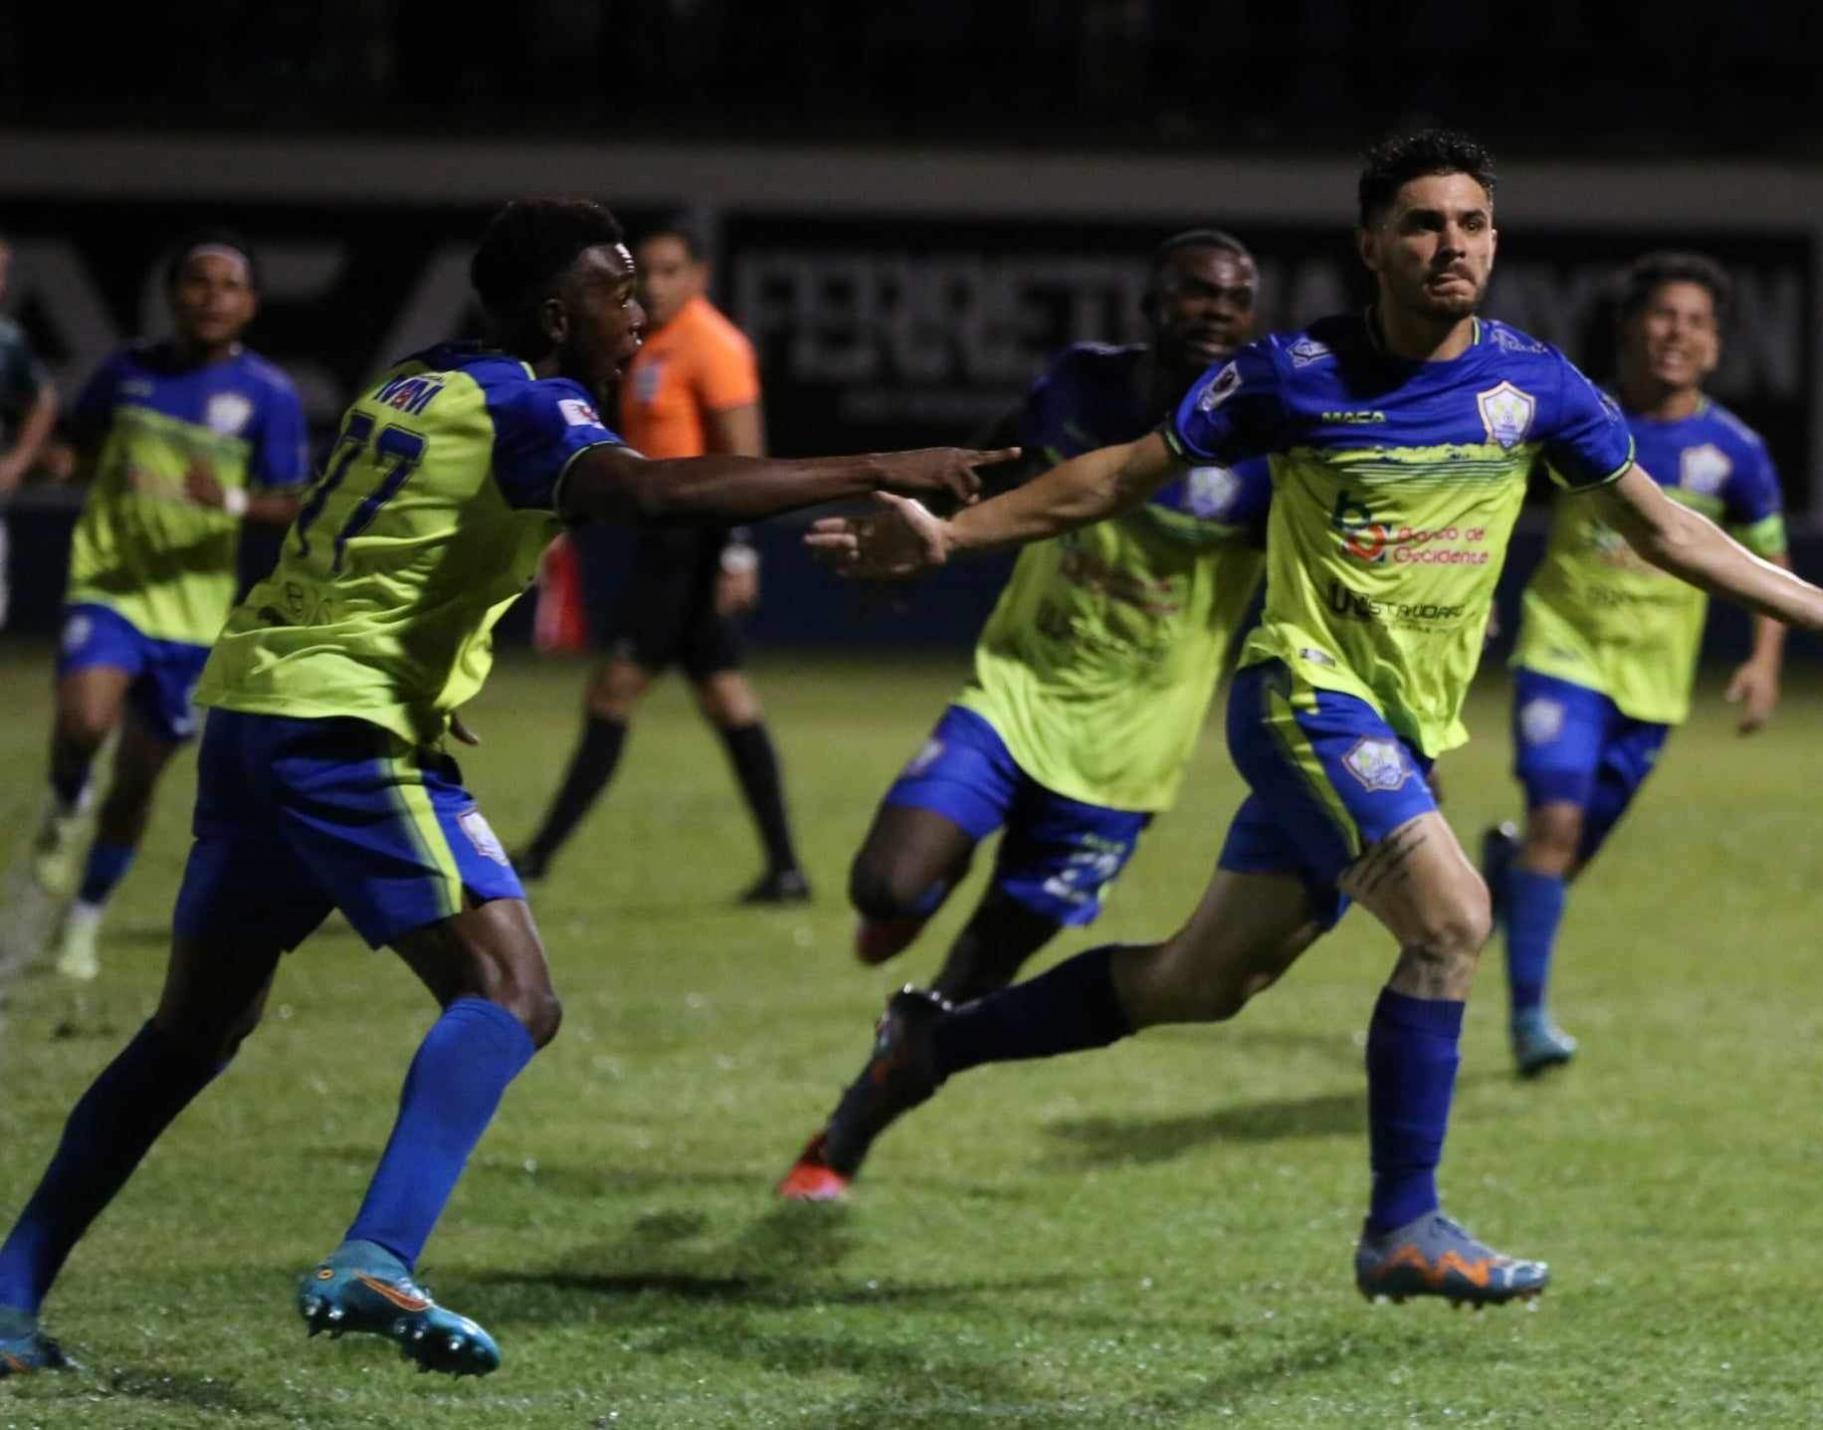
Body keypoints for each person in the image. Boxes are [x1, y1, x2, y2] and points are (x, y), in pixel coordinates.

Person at [798, 130, 1823, 1308]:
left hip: (1400, 730)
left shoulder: (1533, 384)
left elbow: (1665, 526)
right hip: (1301, 695)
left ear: (1492, 241)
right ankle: (1404, 1222)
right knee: (1451, 919)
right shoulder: (1291, 375)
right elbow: (1110, 475)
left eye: (1470, 224)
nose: (1449, 244)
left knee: (1194, 982)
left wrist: (1816, 609)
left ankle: (933, 1041)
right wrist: (950, 533)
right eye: (1421, 223)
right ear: (1370, 245)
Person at [0, 198, 1007, 1379]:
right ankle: (373, 1252)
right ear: (552, 311)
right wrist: (881, 463)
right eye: (617, 291)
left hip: (259, 710)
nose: (637, 312)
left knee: (193, 1029)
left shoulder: (416, 380)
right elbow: (648, 495)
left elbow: (369, 539)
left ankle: (11, 1291)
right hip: (343, 728)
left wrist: (429, 664)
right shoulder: (532, 399)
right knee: (512, 990)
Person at [779, 229, 1272, 1201]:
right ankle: (907, 901)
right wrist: (907, 541)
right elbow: (992, 463)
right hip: (1015, 691)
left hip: (1126, 759)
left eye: (1234, 296)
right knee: (883, 883)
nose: (1214, 308)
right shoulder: (1082, 387)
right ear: (1150, 302)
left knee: (966, 987)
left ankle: (834, 1144)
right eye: (1194, 291)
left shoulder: (1266, 443)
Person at [1485, 252, 1790, 1076]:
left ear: (1716, 345)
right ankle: (1529, 1025)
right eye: (1663, 316)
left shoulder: (1735, 454)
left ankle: (1499, 874)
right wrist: (1473, 589)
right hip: (1563, 652)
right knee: (1555, 824)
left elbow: (1769, 561)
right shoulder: (1581, 417)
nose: (1676, 334)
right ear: (1629, 330)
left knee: (1565, 853)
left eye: (1696, 322)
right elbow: (1490, 498)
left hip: (1654, 683)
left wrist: (1765, 661)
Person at [4, 232, 308, 984]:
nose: (211, 296)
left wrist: (229, 499)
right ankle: (65, 806)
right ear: (173, 295)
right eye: (197, 282)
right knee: (83, 721)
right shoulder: (129, 371)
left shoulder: (267, 394)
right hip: (110, 586)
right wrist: (53, 461)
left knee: (140, 780)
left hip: (194, 614)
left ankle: (83, 922)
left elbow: (294, 502)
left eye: (228, 285)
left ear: (251, 303)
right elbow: (77, 438)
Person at [519, 219, 809, 902]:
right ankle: (786, 869)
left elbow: (746, 455)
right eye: (643, 271)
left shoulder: (714, 345)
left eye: (670, 270)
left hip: (694, 539)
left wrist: (740, 551)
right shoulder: (652, 342)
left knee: (615, 688)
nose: (653, 283)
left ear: (700, 276)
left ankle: (539, 854)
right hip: (664, 533)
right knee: (724, 694)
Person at [0, 232, 62, 633]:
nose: (2, 286)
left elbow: (43, 399)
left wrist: (18, 461)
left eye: (2, 273)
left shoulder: (6, 341)